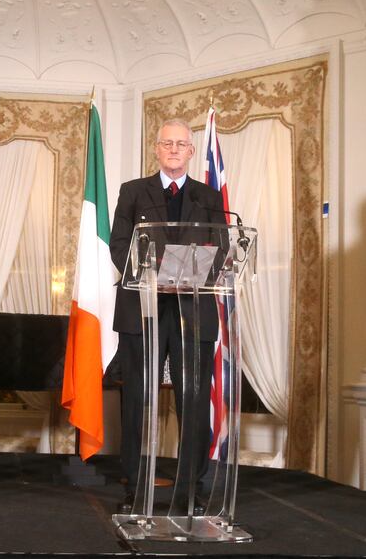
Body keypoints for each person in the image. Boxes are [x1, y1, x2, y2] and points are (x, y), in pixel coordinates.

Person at [109, 118, 225, 514]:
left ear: (191, 152)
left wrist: (185, 274)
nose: (174, 150)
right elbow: (119, 245)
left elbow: (223, 248)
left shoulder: (208, 196)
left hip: (193, 311)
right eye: (167, 143)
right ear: (156, 149)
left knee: (193, 402)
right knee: (138, 400)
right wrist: (158, 273)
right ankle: (135, 487)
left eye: (181, 144)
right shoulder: (132, 192)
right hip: (142, 309)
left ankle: (191, 489)